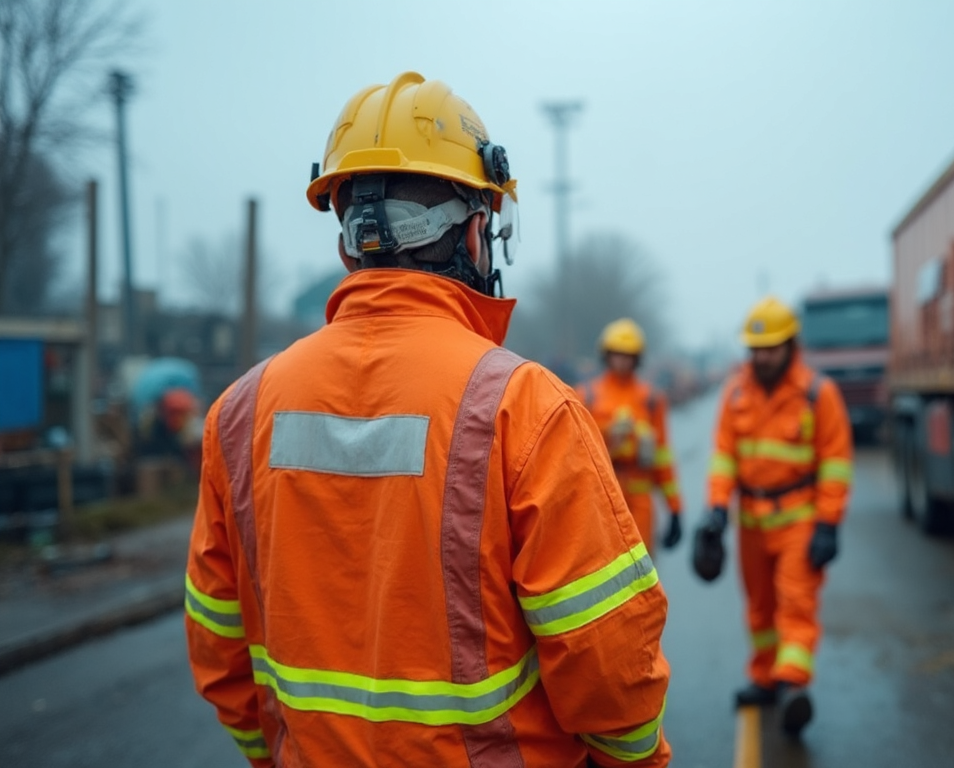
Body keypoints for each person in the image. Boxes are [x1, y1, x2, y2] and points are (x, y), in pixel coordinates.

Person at [184, 72, 672, 768]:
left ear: (348, 244)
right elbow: (608, 660)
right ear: (476, 233)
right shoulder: (525, 406)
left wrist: (274, 755)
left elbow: (217, 638)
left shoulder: (238, 415)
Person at [698, 296, 853, 738]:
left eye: (770, 348)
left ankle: (793, 686)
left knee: (796, 604)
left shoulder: (817, 394)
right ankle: (766, 677)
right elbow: (724, 455)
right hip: (750, 521)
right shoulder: (736, 393)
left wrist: (828, 523)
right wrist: (715, 509)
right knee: (759, 607)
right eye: (755, 349)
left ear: (790, 345)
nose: (762, 356)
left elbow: (836, 462)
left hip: (799, 521)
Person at [575, 318, 684, 557]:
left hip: (640, 500)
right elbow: (574, 452)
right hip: (601, 498)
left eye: (629, 355)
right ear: (607, 355)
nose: (623, 361)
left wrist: (675, 507)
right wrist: (608, 435)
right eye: (617, 354)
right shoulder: (587, 396)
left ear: (637, 358)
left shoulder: (652, 399)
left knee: (642, 574)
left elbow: (663, 457)